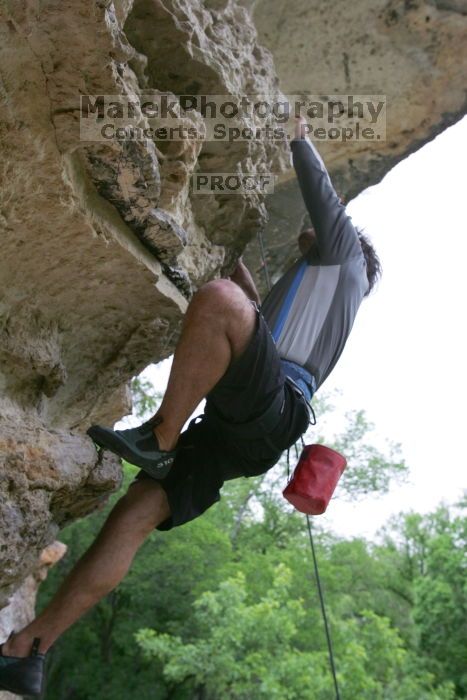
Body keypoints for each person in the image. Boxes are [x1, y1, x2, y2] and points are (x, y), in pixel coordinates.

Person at [0, 117, 381, 696]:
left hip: (272, 406)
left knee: (220, 301)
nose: (312, 231)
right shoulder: (310, 291)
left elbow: (322, 213)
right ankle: (27, 651)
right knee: (136, 515)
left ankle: (160, 436)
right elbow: (252, 322)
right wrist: (228, 257)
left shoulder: (347, 260)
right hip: (247, 430)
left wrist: (299, 135)